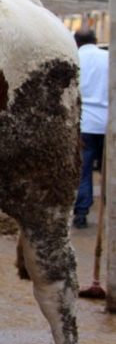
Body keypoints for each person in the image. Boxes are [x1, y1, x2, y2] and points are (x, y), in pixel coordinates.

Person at [73, 27, 108, 229]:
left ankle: (82, 212)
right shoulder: (108, 58)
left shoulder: (74, 58)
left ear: (76, 42)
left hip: (84, 122)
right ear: (95, 40)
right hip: (107, 124)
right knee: (109, 171)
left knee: (83, 170)